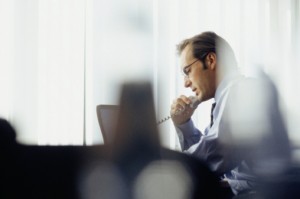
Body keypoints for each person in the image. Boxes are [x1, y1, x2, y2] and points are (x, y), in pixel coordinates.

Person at [170, 31, 291, 198]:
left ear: (211, 60)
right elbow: (208, 153)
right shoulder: (226, 98)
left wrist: (168, 164)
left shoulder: (238, 92)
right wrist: (184, 124)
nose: (186, 82)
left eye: (187, 70)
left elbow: (214, 155)